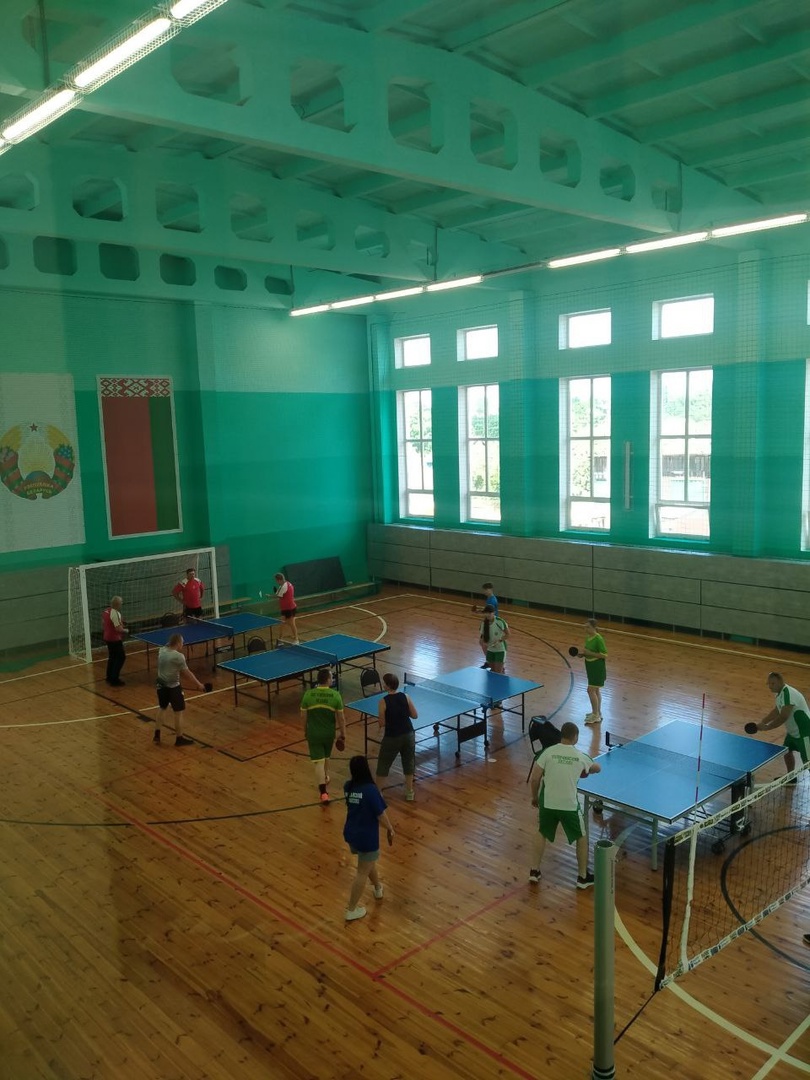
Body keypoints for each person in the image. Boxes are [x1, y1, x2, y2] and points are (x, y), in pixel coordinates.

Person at [529, 721, 601, 888]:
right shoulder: (580, 756)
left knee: (541, 832)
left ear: (561, 735)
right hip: (569, 806)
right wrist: (587, 770)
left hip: (548, 803)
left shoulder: (547, 752)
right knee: (581, 837)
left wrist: (534, 798)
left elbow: (535, 778)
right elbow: (597, 768)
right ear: (575, 737)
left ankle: (534, 871)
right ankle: (582, 878)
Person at [343, 755, 395, 922]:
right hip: (366, 837)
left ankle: (378, 888)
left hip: (351, 834)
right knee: (362, 872)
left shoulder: (348, 786)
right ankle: (351, 909)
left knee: (368, 861)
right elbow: (380, 815)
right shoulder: (371, 790)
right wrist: (390, 828)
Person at [749, 672, 810, 780]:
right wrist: (763, 722)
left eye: (773, 683)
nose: (770, 686)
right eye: (769, 684)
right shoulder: (779, 693)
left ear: (781, 682)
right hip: (793, 732)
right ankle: (791, 777)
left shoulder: (788, 694)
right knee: (787, 752)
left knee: (807, 762)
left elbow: (783, 716)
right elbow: (777, 710)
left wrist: (768, 727)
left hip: (805, 733)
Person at [300, 668, 346, 804]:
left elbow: (303, 717)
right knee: (325, 757)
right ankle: (325, 777)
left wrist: (305, 731)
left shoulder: (308, 695)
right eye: (331, 677)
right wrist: (343, 734)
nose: (332, 679)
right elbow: (341, 718)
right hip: (329, 734)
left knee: (319, 761)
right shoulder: (336, 695)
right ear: (327, 680)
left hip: (314, 733)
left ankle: (323, 793)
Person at [154, 632, 206, 747]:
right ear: (178, 643)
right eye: (182, 642)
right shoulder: (178, 656)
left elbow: (168, 644)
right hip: (173, 687)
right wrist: (199, 684)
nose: (183, 644)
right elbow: (187, 673)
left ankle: (157, 734)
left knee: (162, 708)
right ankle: (179, 738)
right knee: (178, 713)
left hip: (160, 686)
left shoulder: (161, 650)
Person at [376, 673, 418, 801]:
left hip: (392, 737)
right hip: (408, 734)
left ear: (388, 686)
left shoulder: (383, 701)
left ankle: (378, 793)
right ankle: (410, 792)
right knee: (408, 762)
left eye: (384, 683)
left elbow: (382, 723)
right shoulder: (406, 696)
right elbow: (415, 715)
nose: (383, 684)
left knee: (383, 763)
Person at [580, 618, 608, 725]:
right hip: (590, 667)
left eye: (588, 627)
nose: (586, 629)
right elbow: (588, 651)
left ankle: (596, 715)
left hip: (597, 668)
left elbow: (604, 655)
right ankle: (597, 712)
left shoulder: (599, 639)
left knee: (590, 690)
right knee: (596, 691)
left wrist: (589, 653)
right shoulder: (588, 637)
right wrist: (583, 654)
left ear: (594, 628)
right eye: (585, 627)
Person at [102, 595, 128, 686]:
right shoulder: (115, 613)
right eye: (121, 603)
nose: (122, 604)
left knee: (112, 657)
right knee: (121, 657)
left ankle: (109, 677)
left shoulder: (106, 611)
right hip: (114, 639)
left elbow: (103, 623)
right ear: (117, 604)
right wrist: (126, 630)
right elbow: (118, 629)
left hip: (107, 637)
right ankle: (114, 679)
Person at [472, 583, 499, 666]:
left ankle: (491, 662)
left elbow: (489, 614)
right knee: (482, 642)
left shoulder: (492, 600)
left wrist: (477, 614)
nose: (484, 592)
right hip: (488, 623)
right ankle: (489, 661)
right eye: (484, 590)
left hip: (491, 624)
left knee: (484, 643)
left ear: (490, 589)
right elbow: (487, 610)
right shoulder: (489, 598)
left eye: (486, 590)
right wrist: (479, 610)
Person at [479, 604, 508, 675]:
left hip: (500, 650)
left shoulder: (500, 622)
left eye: (490, 613)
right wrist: (482, 641)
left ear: (494, 612)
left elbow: (508, 634)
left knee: (498, 673)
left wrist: (499, 640)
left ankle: (502, 676)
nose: (488, 614)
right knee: (493, 671)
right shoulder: (483, 623)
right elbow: (482, 637)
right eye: (486, 613)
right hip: (490, 650)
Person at [273, 572, 299, 645]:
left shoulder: (284, 586)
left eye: (276, 580)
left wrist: (269, 596)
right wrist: (276, 593)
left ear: (279, 580)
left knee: (291, 624)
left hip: (289, 608)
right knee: (282, 623)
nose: (276, 582)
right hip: (285, 608)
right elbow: (279, 594)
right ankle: (280, 640)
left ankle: (296, 639)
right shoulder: (286, 584)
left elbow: (278, 596)